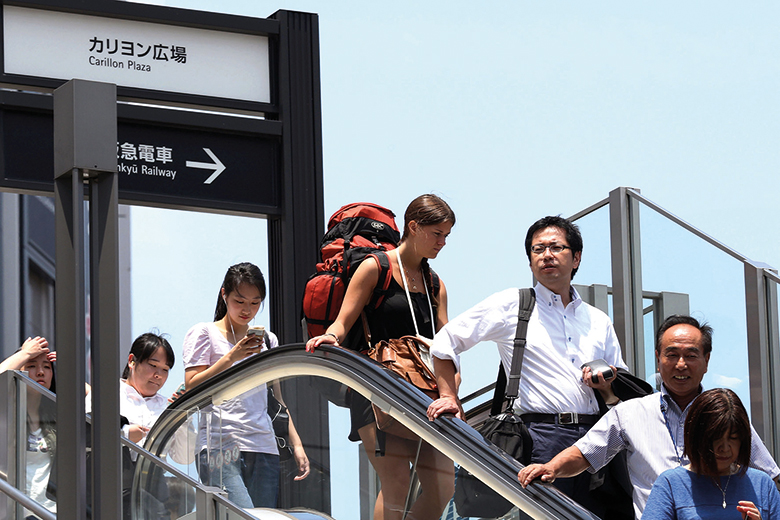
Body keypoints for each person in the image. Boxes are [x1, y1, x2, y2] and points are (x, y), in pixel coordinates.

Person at [427, 215, 628, 516]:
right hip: (539, 437)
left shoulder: (597, 319)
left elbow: (620, 384)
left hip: (596, 439)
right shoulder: (512, 304)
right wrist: (448, 397)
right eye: (537, 249)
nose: (546, 255)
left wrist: (606, 384)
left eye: (556, 247)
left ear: (576, 258)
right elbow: (444, 343)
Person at [518, 315, 780, 519]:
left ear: (706, 360)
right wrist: (551, 468)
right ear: (658, 358)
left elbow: (767, 476)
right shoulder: (631, 412)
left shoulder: (723, 416)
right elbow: (585, 453)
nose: (681, 364)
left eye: (691, 355)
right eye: (672, 354)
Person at [306, 194, 456, 520]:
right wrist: (330, 337)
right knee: (397, 484)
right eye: (436, 234)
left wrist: (452, 389)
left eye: (446, 236)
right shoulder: (376, 268)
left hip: (425, 393)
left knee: (444, 486)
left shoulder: (435, 284)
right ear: (413, 227)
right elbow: (343, 322)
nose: (442, 243)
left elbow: (448, 344)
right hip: (378, 389)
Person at [183, 262, 309, 509]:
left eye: (255, 302)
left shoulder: (268, 340)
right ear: (224, 294)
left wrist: (297, 444)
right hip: (219, 444)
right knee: (242, 515)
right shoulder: (204, 333)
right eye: (239, 301)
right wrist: (232, 357)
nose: (247, 309)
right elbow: (191, 385)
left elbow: (278, 401)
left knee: (261, 515)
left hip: (263, 444)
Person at [643, 388, 780, 520]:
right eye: (716, 438)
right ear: (697, 436)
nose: (725, 448)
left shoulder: (762, 484)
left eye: (733, 438)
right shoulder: (671, 484)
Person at [0, 337, 57, 519]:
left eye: (47, 367)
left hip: (52, 511)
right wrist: (25, 353)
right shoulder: (7, 413)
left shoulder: (59, 417)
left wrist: (70, 370)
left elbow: (97, 407)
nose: (40, 372)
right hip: (17, 511)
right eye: (32, 365)